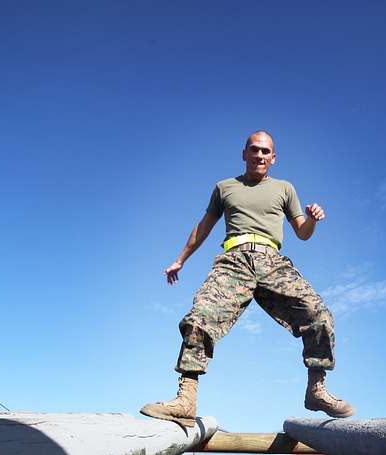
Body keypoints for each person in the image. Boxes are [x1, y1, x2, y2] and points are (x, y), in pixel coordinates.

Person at [141, 130, 354, 423]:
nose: (260, 156)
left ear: (274, 158)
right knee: (199, 317)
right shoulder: (225, 188)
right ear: (244, 154)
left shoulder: (284, 189)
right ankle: (186, 398)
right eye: (254, 150)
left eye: (266, 151)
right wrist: (179, 260)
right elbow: (202, 227)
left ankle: (316, 390)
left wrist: (313, 220)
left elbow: (302, 233)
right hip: (233, 261)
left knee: (318, 315)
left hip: (272, 261)